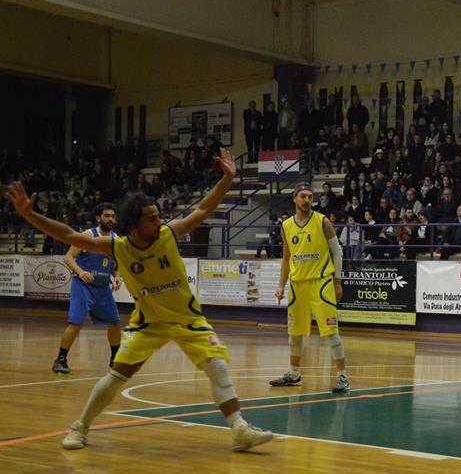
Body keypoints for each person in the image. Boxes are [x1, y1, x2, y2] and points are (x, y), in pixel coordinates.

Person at [4, 149, 273, 452]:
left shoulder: (169, 234)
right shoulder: (117, 247)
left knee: (218, 366)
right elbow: (69, 235)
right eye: (151, 218)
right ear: (134, 226)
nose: (159, 221)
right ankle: (80, 427)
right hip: (148, 324)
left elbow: (201, 210)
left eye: (158, 216)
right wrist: (29, 215)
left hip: (188, 319)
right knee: (118, 375)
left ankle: (239, 429)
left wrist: (228, 179)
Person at [270, 184, 349, 392]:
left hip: (321, 283)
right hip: (297, 286)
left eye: (310, 196)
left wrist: (338, 281)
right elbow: (286, 258)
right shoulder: (286, 225)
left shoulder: (322, 221)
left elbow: (337, 252)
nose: (307, 200)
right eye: (303, 196)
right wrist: (280, 285)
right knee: (294, 334)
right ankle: (294, 374)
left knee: (331, 332)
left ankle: (342, 376)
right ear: (295, 199)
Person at [52, 202, 123, 374]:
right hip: (83, 286)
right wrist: (81, 271)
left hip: (103, 288)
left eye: (113, 216)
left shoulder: (116, 240)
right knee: (75, 323)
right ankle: (60, 360)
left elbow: (118, 264)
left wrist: (117, 277)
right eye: (107, 216)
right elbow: (68, 257)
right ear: (99, 218)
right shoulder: (87, 235)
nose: (111, 219)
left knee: (115, 324)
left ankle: (115, 360)